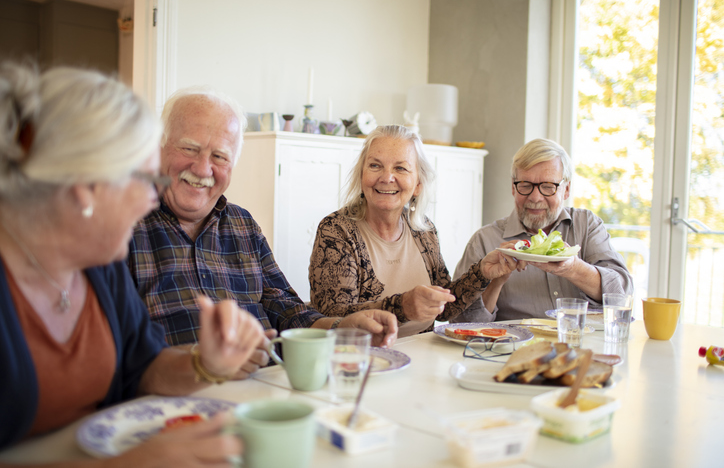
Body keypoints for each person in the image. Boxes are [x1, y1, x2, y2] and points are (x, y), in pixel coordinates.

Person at [0, 63, 262, 463]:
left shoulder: (96, 264)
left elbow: (145, 368)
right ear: (87, 187)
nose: (152, 200)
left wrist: (204, 363)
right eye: (145, 180)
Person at [127, 86, 398, 359]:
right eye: (189, 148)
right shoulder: (125, 227)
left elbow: (286, 309)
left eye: (219, 156)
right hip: (178, 396)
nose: (202, 168)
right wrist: (200, 366)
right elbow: (117, 350)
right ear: (158, 148)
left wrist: (342, 327)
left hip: (265, 385)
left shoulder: (242, 224)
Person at [308, 125, 518, 337]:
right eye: (375, 165)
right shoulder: (336, 231)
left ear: (418, 184)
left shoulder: (423, 230)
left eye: (400, 168)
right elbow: (333, 316)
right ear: (362, 175)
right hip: (361, 358)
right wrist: (403, 306)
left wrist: (482, 272)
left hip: (421, 355)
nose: (387, 177)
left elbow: (444, 308)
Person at [450, 138, 634, 322]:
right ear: (513, 188)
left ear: (566, 189)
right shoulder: (485, 240)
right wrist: (495, 282)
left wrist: (573, 268)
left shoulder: (586, 225)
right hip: (517, 348)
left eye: (548, 186)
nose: (535, 197)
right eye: (525, 185)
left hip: (583, 345)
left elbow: (622, 295)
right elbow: (458, 324)